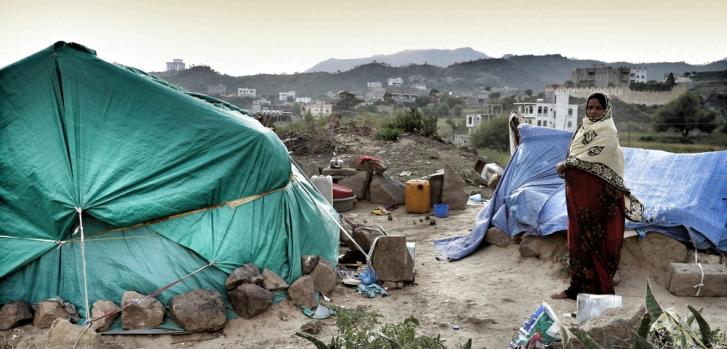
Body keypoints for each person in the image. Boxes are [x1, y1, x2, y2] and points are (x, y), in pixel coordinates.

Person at [551, 92, 645, 300]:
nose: (593, 111)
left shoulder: (608, 130)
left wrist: (566, 165)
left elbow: (592, 158)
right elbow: (576, 154)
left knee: (595, 240)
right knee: (577, 241)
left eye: (598, 108)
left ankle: (598, 291)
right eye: (590, 107)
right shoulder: (583, 128)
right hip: (578, 194)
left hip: (597, 198)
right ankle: (576, 288)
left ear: (606, 110)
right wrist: (569, 166)